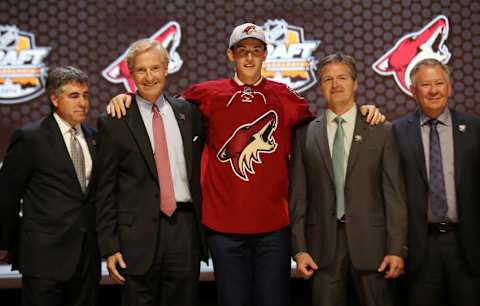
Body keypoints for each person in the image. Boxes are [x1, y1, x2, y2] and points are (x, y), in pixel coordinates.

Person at [106, 24, 384, 306]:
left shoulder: (286, 97)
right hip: (223, 229)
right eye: (242, 51)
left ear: (265, 55)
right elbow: (157, 105)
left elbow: (326, 125)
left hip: (273, 228)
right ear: (230, 55)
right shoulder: (205, 94)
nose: (249, 58)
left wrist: (361, 113)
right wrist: (127, 99)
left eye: (255, 51)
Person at [95, 39, 207, 306]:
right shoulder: (114, 120)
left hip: (184, 229)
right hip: (136, 236)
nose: (149, 77)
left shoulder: (189, 113)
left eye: (155, 68)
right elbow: (105, 189)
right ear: (131, 74)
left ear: (166, 69)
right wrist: (110, 247)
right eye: (141, 70)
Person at [289, 53, 408, 306]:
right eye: (328, 79)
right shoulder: (305, 134)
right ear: (319, 86)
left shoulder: (382, 130)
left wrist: (396, 249)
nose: (335, 84)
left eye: (342, 77)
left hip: (374, 248)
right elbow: (299, 197)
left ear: (355, 83)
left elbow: (394, 196)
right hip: (322, 250)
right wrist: (299, 249)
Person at [0, 66, 100, 306]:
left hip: (87, 260)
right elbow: (6, 197)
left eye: (85, 95)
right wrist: (12, 246)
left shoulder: (96, 137)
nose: (83, 103)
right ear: (54, 99)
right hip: (43, 259)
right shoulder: (30, 137)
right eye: (74, 96)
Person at [392, 58, 480, 306]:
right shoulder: (396, 132)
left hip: (467, 246)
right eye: (426, 84)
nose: (433, 90)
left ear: (449, 88)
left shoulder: (474, 128)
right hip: (421, 248)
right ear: (412, 90)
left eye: (439, 83)